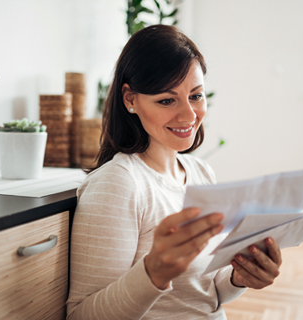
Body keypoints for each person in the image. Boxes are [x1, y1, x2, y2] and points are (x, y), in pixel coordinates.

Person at [66, 25, 282, 320]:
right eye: (167, 100)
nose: (189, 115)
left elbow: (208, 292)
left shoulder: (201, 172)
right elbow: (81, 315)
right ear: (130, 99)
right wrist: (152, 273)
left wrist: (239, 277)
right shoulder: (118, 183)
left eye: (196, 96)